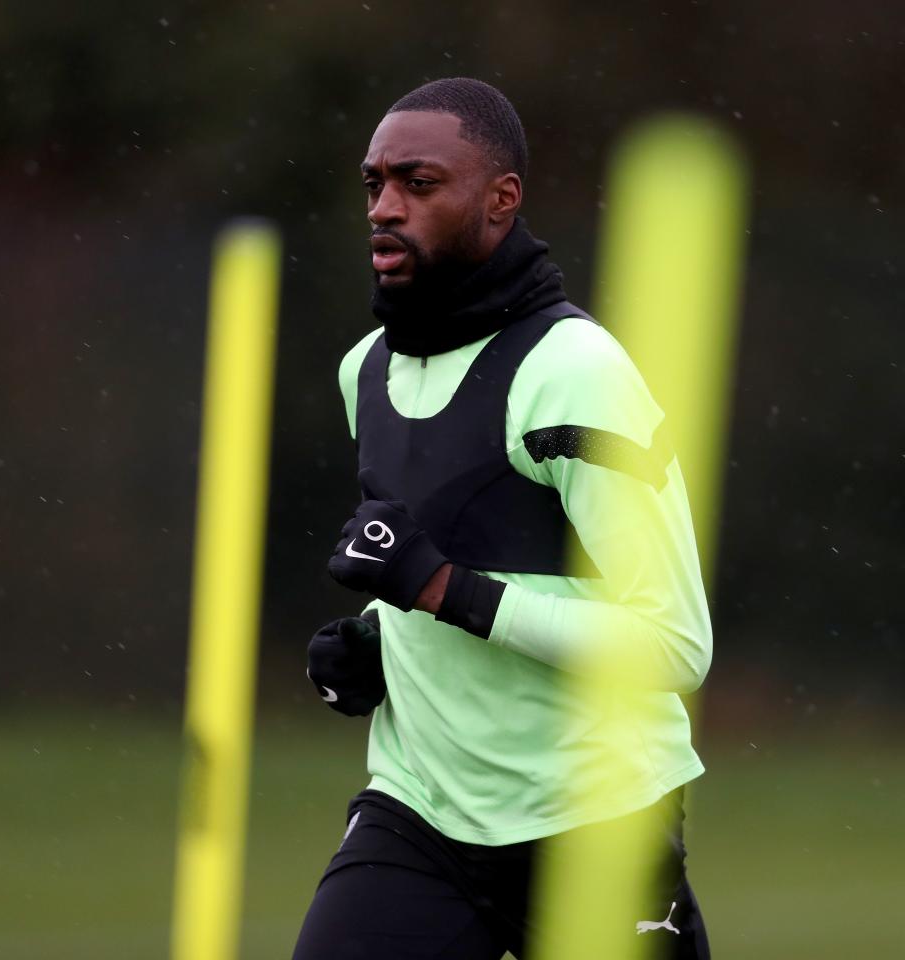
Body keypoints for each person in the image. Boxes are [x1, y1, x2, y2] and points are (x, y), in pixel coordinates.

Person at [293, 77, 713, 960]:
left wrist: (448, 594)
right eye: (374, 184)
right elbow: (427, 555)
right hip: (420, 812)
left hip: (595, 820)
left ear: (501, 199)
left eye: (418, 182)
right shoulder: (364, 370)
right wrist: (373, 639)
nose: (386, 207)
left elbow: (675, 645)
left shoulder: (577, 373)